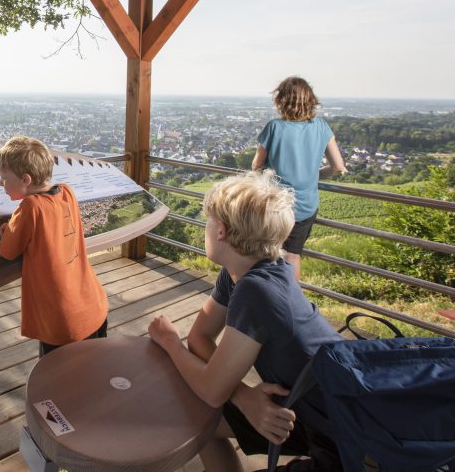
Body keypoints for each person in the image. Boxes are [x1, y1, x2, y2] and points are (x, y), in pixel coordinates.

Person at [148, 171, 342, 472]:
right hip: (302, 411)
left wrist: (169, 341)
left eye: (209, 222)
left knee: (203, 403)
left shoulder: (256, 290)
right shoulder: (245, 272)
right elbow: (200, 337)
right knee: (197, 415)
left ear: (222, 231)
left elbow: (212, 388)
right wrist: (243, 395)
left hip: (341, 437)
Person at [0, 136, 109, 357]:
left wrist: (5, 232)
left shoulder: (30, 207)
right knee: (93, 376)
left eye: (4, 178)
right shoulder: (67, 192)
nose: (1, 184)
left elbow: (7, 251)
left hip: (63, 322)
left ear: (25, 179)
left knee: (58, 386)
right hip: (93, 305)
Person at [252, 76, 346, 279]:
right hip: (305, 206)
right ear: (310, 101)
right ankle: (290, 301)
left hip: (275, 205)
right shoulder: (321, 127)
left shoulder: (275, 127)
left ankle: (264, 294)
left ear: (281, 100)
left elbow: (256, 165)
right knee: (292, 256)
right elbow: (338, 167)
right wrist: (314, 175)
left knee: (266, 253)